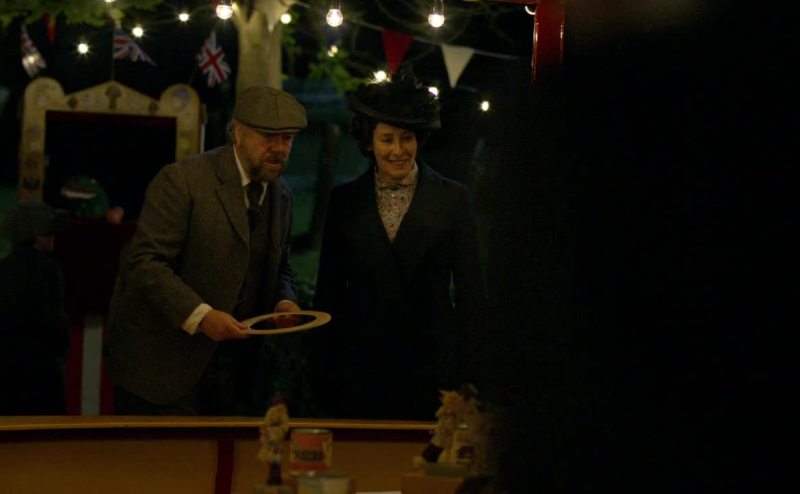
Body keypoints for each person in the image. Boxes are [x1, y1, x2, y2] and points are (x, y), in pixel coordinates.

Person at [106, 86, 308, 416]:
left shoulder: (281, 195)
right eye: (268, 137)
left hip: (235, 377)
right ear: (238, 133)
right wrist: (200, 316)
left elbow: (280, 265)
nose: (280, 149)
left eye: (287, 139)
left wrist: (284, 300)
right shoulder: (182, 181)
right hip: (162, 370)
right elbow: (144, 262)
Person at [312, 71, 487, 420]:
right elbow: (328, 293)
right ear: (369, 142)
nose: (398, 150)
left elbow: (471, 295)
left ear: (419, 139)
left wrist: (471, 377)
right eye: (387, 139)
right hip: (361, 368)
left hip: (433, 370)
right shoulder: (345, 202)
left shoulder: (453, 199)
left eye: (406, 138)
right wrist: (322, 374)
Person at [0, 199, 69, 415]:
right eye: (50, 231)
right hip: (42, 374)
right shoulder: (49, 271)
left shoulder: (4, 269)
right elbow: (55, 324)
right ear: (38, 236)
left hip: (7, 375)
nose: (54, 236)